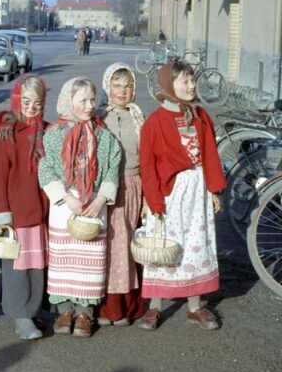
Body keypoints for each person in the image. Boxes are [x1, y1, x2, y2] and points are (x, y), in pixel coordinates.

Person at [137, 59, 226, 331]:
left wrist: (213, 189)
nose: (191, 85)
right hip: (169, 194)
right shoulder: (154, 123)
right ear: (168, 85)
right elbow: (148, 166)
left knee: (196, 243)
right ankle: (155, 306)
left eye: (191, 79)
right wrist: (153, 201)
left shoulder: (200, 116)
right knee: (163, 246)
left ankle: (195, 305)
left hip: (197, 191)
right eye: (183, 81)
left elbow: (210, 153)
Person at [38, 77, 121, 338]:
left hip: (93, 205)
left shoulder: (103, 137)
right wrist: (66, 196)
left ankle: (85, 312)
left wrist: (99, 200)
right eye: (83, 100)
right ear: (68, 101)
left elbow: (112, 168)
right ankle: (64, 310)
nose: (89, 105)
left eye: (92, 100)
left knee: (90, 261)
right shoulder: (54, 135)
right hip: (65, 205)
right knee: (64, 261)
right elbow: (47, 167)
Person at [0, 75, 50, 340]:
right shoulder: (6, 131)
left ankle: (33, 309)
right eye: (26, 101)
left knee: (37, 264)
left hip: (41, 209)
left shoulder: (47, 131)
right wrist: (2, 213)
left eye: (37, 102)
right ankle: (21, 316)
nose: (32, 107)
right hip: (16, 211)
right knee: (17, 266)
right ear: (16, 100)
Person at [96, 64, 147, 326]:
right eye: (117, 86)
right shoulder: (98, 117)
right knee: (107, 245)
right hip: (105, 190)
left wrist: (148, 197)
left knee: (127, 246)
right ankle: (105, 307)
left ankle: (128, 304)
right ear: (108, 87)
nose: (122, 91)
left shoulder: (138, 117)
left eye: (127, 86)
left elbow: (147, 157)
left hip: (132, 186)